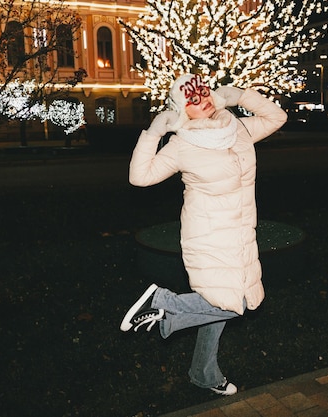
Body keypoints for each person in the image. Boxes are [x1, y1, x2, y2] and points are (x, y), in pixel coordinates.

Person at [120, 73, 287, 396]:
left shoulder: (236, 128)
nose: (203, 100)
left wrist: (239, 95)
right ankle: (163, 304)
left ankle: (203, 373)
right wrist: (155, 132)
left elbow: (277, 116)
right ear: (183, 109)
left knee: (218, 302)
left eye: (205, 93)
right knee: (235, 301)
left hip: (240, 231)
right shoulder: (182, 144)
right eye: (192, 100)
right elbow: (140, 177)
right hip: (207, 235)